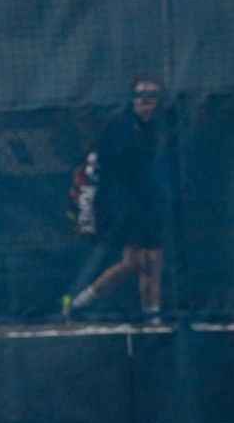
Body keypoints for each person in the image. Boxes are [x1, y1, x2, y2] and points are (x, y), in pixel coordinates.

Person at [65, 75, 172, 324]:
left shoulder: (165, 129)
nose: (145, 101)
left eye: (151, 96)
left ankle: (151, 316)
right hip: (126, 206)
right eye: (140, 95)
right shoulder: (119, 128)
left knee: (151, 261)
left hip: (154, 204)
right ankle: (81, 302)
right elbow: (108, 168)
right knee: (134, 263)